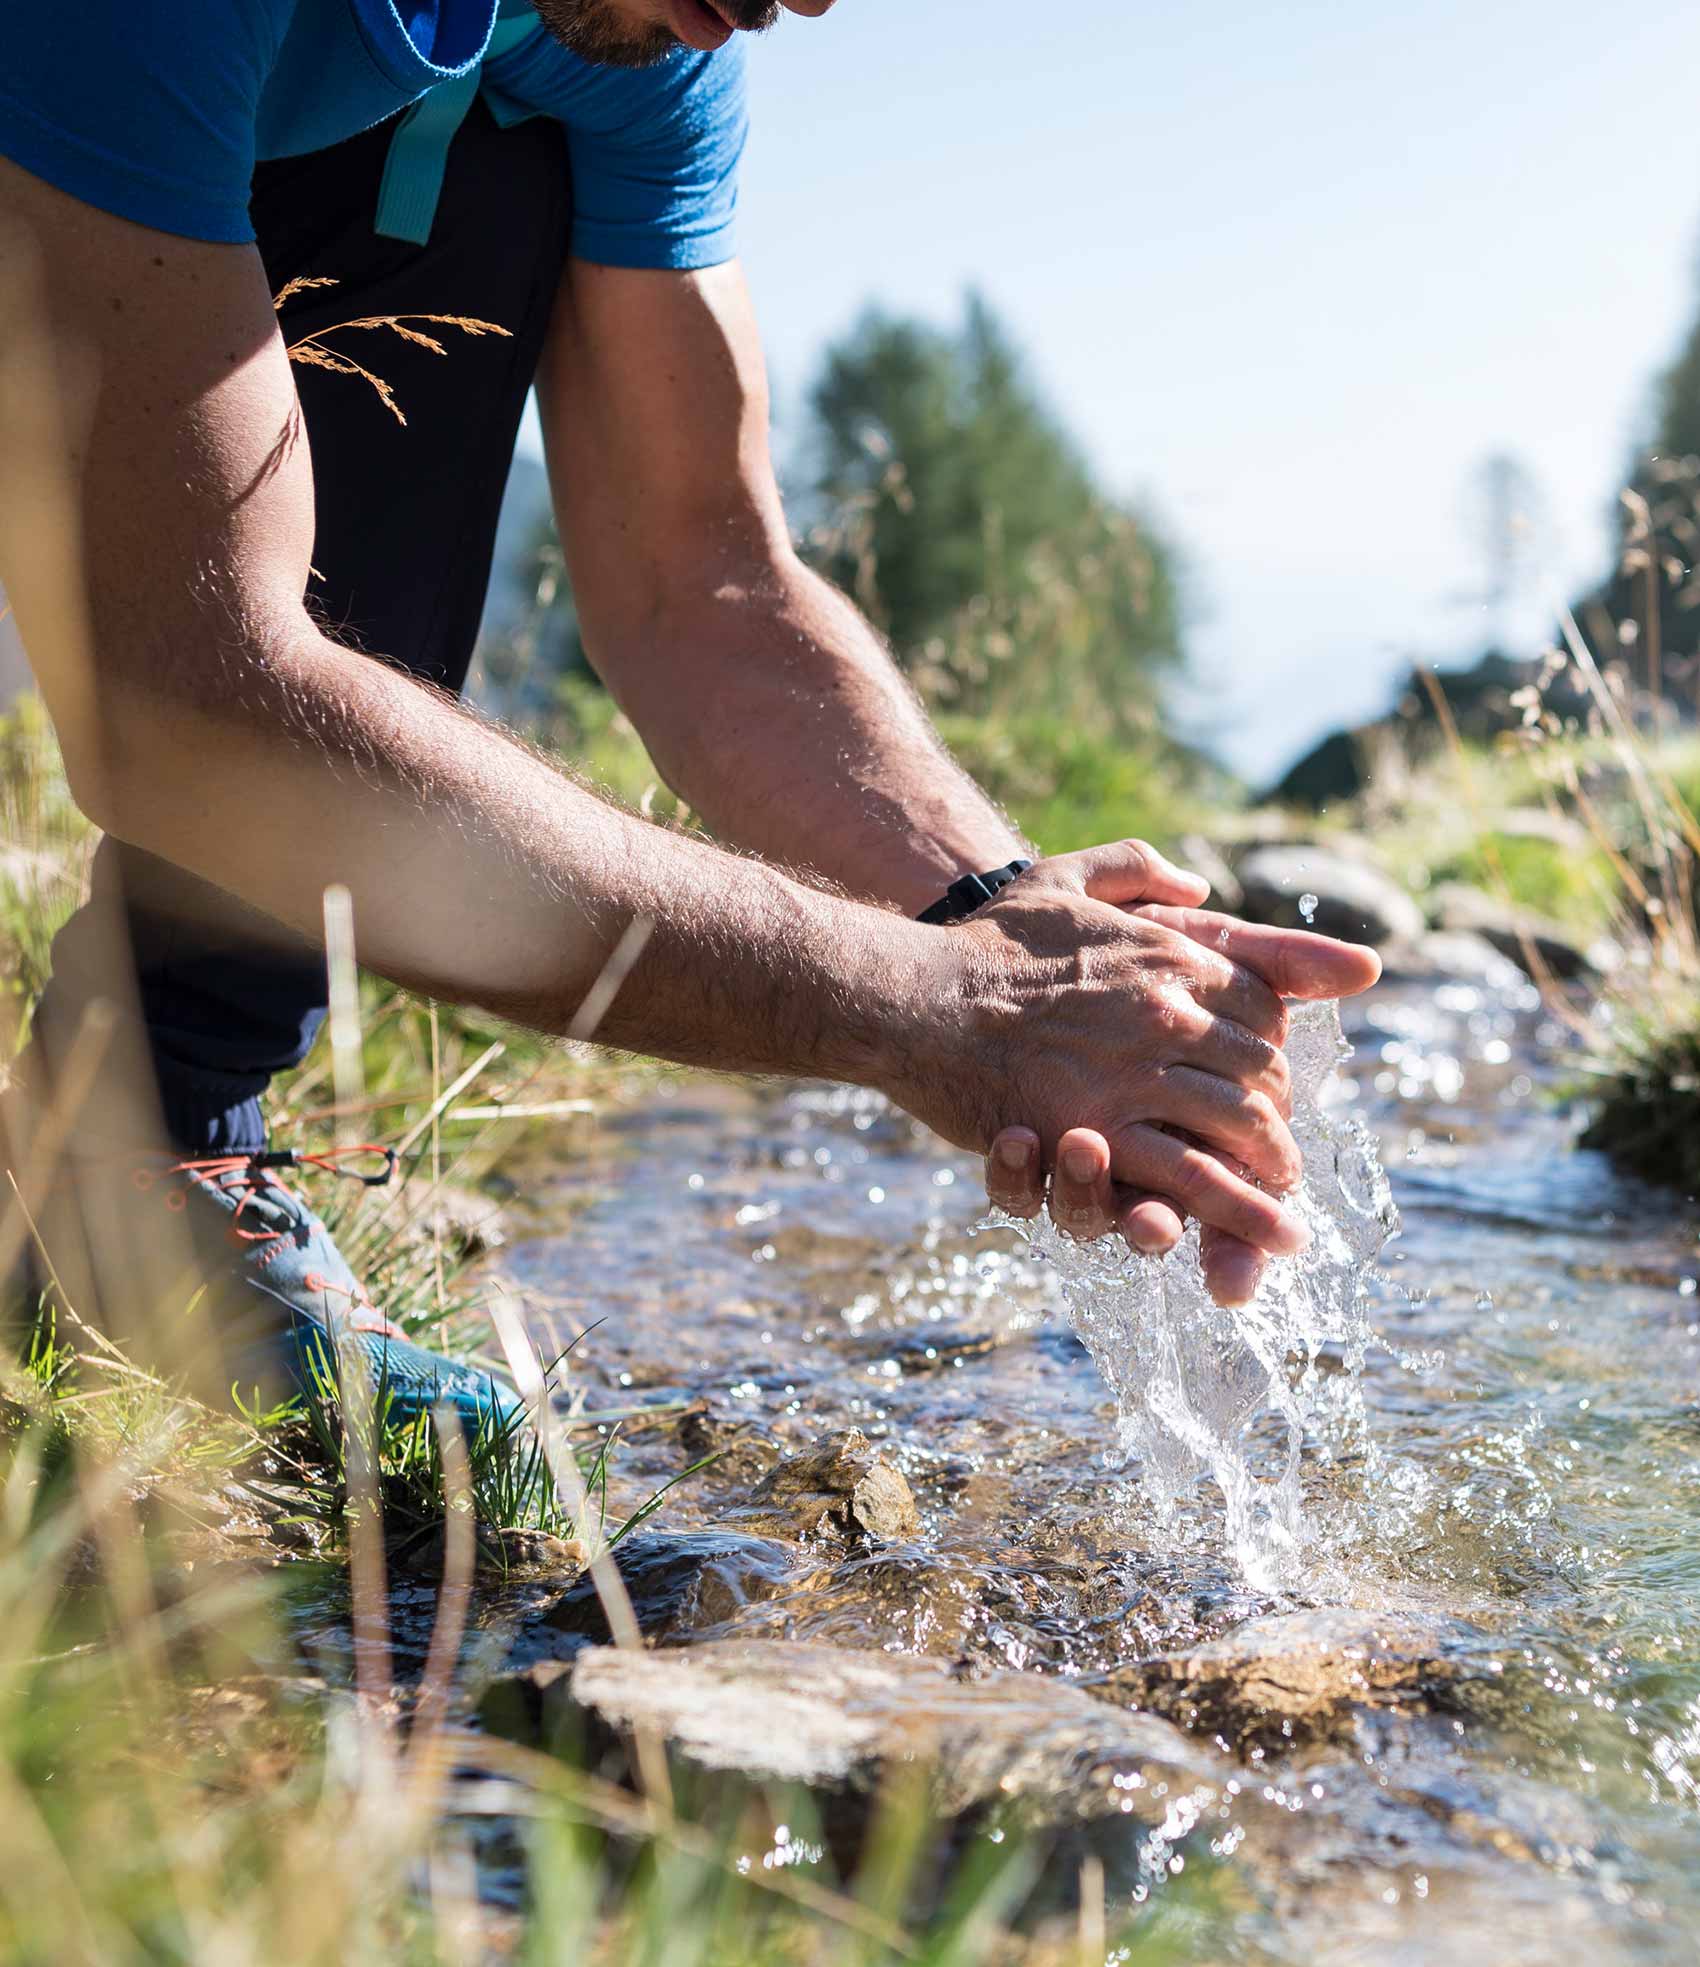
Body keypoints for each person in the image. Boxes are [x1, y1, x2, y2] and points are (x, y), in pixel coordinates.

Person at [0, 0, 1378, 1425]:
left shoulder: (630, 43)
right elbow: (195, 707)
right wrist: (936, 1012)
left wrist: (997, 915)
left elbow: (701, 584)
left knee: (486, 163)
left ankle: (144, 1153)